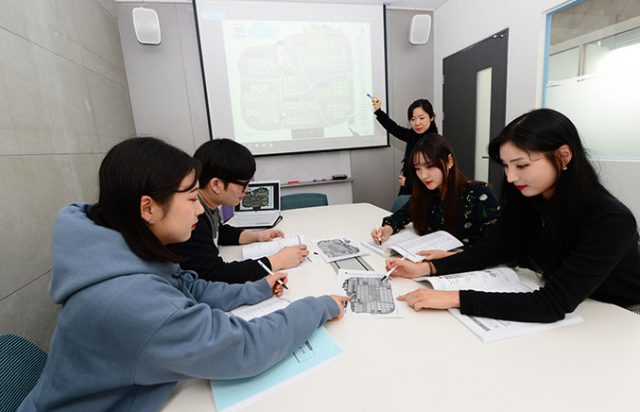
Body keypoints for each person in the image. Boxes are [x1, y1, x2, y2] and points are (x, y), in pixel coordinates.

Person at [18, 137, 348, 412]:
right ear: (148, 208)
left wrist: (257, 288)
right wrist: (319, 307)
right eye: (191, 198)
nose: (198, 210)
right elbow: (243, 348)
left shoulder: (120, 243)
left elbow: (190, 287)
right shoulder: (131, 301)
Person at [387, 109, 640, 322]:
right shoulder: (530, 201)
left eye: (522, 165)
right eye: (506, 166)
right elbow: (488, 251)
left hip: (620, 316)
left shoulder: (610, 219)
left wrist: (453, 298)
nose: (510, 177)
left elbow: (553, 303)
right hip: (579, 304)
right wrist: (425, 268)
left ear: (563, 156)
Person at [169, 138, 308, 284]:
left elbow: (219, 232)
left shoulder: (208, 205)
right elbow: (217, 274)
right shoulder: (192, 219)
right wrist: (279, 260)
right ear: (216, 185)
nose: (247, 190)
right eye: (243, 185)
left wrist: (256, 236)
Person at [371, 134, 500, 259]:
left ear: (449, 161)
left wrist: (450, 257)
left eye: (430, 166)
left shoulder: (479, 193)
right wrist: (387, 229)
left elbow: (495, 247)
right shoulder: (427, 193)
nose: (423, 175)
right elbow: (400, 217)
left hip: (470, 271)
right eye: (418, 169)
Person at [370, 96, 439, 195]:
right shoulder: (412, 135)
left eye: (422, 118)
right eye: (413, 119)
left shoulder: (435, 143)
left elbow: (434, 177)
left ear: (432, 117)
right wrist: (378, 110)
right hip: (408, 190)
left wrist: (408, 183)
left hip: (424, 194)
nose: (417, 123)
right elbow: (394, 128)